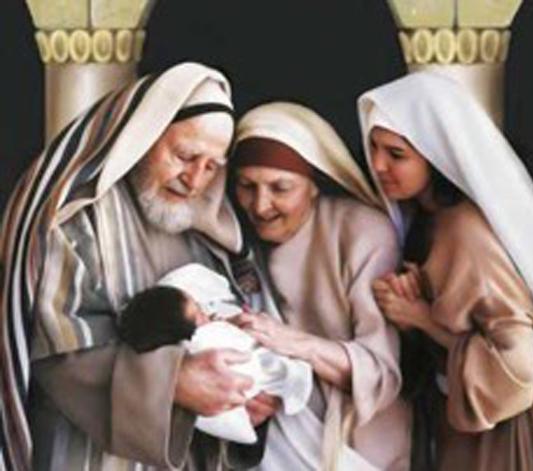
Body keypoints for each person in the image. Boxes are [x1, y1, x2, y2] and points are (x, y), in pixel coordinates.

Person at [1, 62, 279, 470]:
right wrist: (173, 381)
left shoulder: (209, 235)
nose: (194, 180)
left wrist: (242, 394)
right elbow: (58, 352)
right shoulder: (79, 219)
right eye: (185, 156)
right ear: (145, 134)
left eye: (211, 166)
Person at [358, 71, 533, 470]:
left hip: (508, 434)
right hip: (469, 428)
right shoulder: (430, 220)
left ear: (435, 154)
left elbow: (516, 366)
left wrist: (421, 317)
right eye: (374, 148)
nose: (378, 165)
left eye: (397, 154)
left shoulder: (465, 230)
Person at [229, 102, 411, 470]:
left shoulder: (361, 232)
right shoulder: (232, 235)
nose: (260, 206)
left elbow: (379, 374)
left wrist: (292, 342)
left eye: (280, 188)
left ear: (314, 184)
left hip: (353, 442)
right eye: (247, 186)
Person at [119, 263, 313, 445]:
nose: (207, 313)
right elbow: (235, 349)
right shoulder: (202, 340)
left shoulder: (197, 318)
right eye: (199, 315)